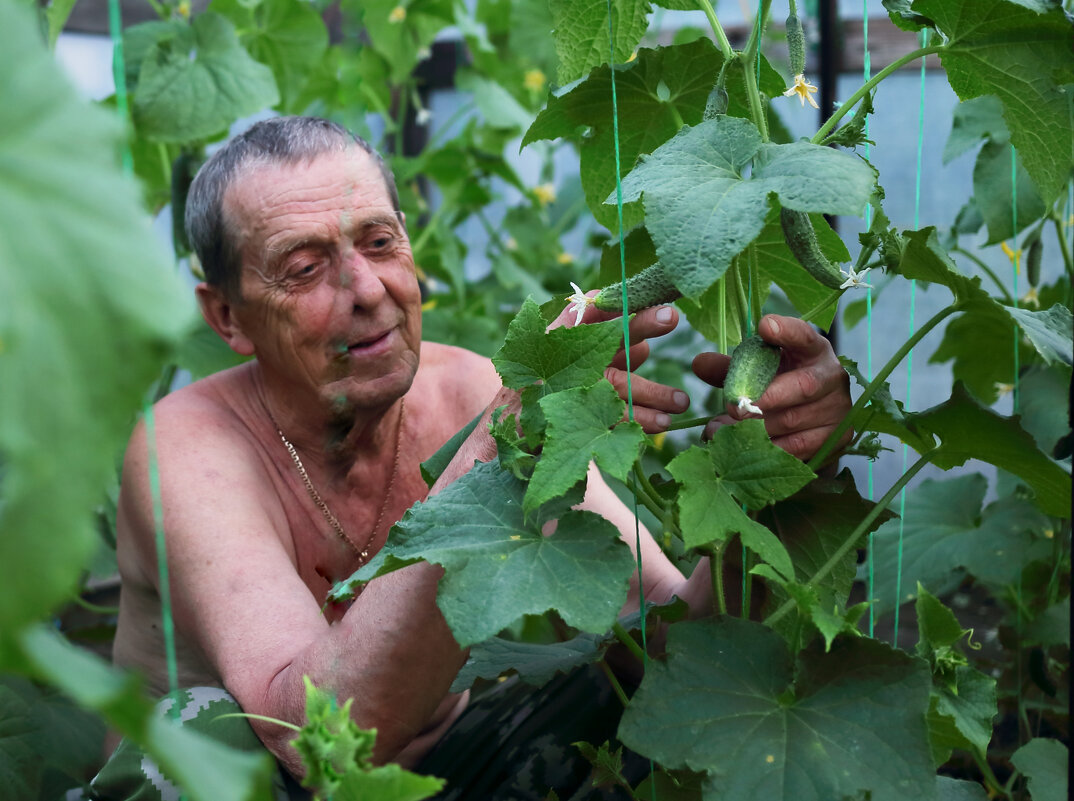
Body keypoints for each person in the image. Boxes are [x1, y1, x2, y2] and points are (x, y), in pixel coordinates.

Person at [99, 117, 851, 797]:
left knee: (631, 720)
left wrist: (781, 474)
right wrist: (501, 445)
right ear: (227, 316)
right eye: (303, 267)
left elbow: (666, 646)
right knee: (201, 728)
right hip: (255, 783)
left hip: (450, 767)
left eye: (379, 241)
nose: (366, 289)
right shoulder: (184, 446)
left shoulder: (475, 394)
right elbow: (316, 741)